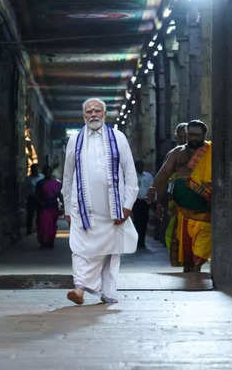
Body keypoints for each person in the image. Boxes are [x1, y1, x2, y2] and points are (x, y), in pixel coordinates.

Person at [62, 97, 139, 305]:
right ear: (83, 115)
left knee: (110, 250)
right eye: (89, 112)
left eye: (97, 111)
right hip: (82, 207)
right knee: (79, 247)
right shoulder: (74, 140)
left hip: (112, 208)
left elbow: (130, 173)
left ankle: (108, 291)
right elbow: (68, 177)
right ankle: (79, 287)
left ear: (105, 114)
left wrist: (128, 204)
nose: (93, 114)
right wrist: (68, 208)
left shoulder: (118, 137)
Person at [148, 120, 212, 273]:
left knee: (203, 236)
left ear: (204, 135)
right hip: (182, 208)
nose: (193, 138)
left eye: (197, 135)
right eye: (190, 135)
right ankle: (189, 266)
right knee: (184, 239)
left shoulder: (211, 151)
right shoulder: (177, 152)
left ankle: (197, 266)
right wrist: (155, 193)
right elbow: (164, 174)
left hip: (204, 205)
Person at [35, 165, 63, 248]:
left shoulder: (56, 183)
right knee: (43, 225)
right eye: (46, 171)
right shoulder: (40, 183)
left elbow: (60, 195)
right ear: (44, 173)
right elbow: (37, 195)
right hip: (43, 207)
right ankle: (43, 242)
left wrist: (63, 205)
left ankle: (50, 241)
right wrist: (40, 203)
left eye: (49, 171)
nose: (48, 173)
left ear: (51, 172)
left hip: (53, 206)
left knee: (52, 226)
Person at [132, 160, 154, 249]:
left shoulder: (148, 176)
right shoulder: (132, 176)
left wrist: (151, 200)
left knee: (144, 221)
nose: (139, 167)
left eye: (141, 165)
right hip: (136, 202)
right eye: (138, 165)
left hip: (145, 202)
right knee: (137, 221)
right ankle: (137, 241)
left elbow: (152, 187)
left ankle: (142, 241)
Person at [23, 164, 44, 235]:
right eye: (33, 169)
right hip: (31, 198)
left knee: (40, 214)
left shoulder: (42, 177)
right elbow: (25, 189)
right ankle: (29, 230)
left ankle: (39, 229)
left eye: (36, 169)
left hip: (41, 198)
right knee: (30, 214)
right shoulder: (28, 179)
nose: (35, 170)